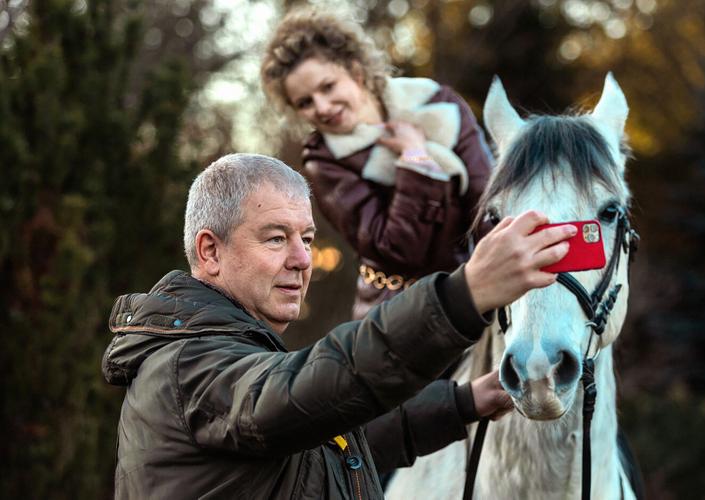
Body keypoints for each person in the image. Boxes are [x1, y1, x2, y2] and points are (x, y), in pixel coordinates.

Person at [102, 153, 575, 499]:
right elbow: (317, 387)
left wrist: (466, 401)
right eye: (276, 238)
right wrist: (463, 296)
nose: (302, 259)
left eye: (306, 238)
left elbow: (343, 435)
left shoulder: (236, 364)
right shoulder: (187, 366)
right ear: (210, 252)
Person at [261, 9, 493, 320]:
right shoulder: (325, 161)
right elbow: (398, 251)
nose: (322, 107)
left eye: (328, 86)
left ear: (355, 71)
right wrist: (414, 160)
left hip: (477, 289)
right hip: (400, 313)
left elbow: (489, 200)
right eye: (305, 102)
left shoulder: (438, 104)